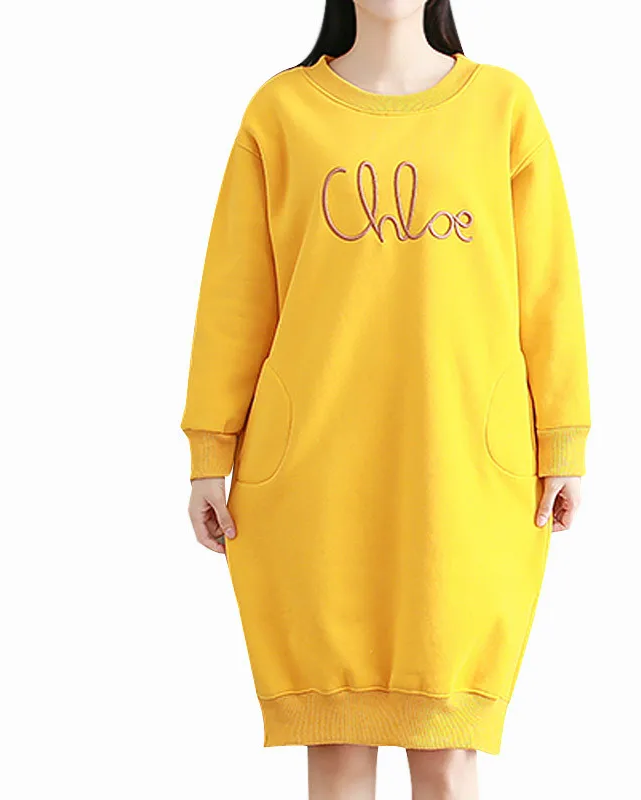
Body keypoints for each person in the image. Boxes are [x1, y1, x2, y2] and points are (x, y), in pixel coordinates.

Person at [180, 0, 591, 796]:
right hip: (314, 480)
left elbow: (549, 293)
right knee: (335, 744)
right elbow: (236, 296)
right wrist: (209, 451)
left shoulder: (503, 108)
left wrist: (563, 441)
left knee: (447, 748)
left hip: (463, 476)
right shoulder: (281, 112)